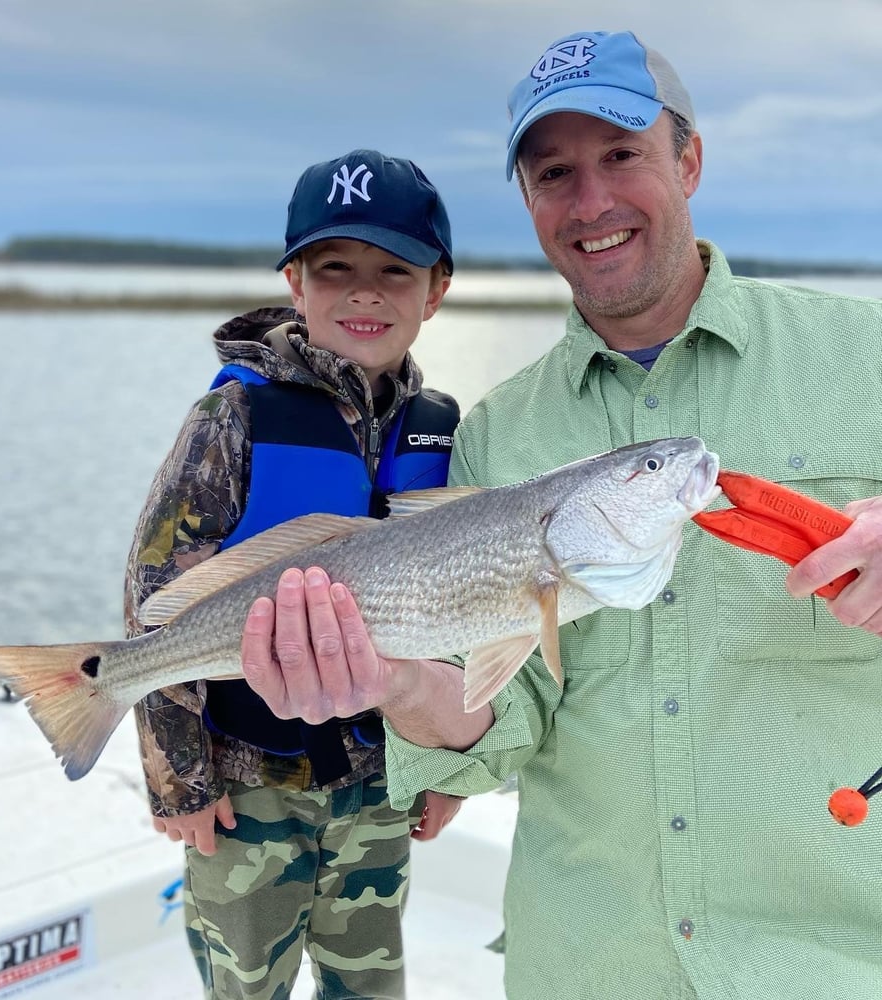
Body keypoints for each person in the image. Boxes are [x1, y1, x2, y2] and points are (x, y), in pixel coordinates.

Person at [237, 30, 882, 1000]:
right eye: (553, 173)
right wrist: (394, 680)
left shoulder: (860, 353)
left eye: (621, 155)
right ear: (531, 202)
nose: (591, 203)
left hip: (836, 958)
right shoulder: (496, 434)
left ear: (689, 160)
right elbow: (503, 720)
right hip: (585, 964)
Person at [124, 148, 464, 1000]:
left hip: (381, 784)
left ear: (437, 291)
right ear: (294, 282)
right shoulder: (233, 417)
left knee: (370, 984)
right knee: (246, 986)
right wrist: (180, 781)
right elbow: (153, 602)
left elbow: (464, 612)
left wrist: (442, 768)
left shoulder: (440, 429)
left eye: (394, 270)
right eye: (335, 268)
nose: (364, 292)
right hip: (246, 792)